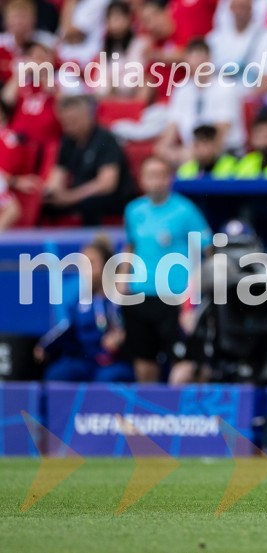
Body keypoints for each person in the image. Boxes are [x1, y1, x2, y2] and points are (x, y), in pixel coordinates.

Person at [122, 156, 212, 382]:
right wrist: (122, 279)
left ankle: (180, 414)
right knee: (144, 360)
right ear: (142, 179)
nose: (156, 181)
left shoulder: (185, 210)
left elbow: (209, 251)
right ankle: (146, 413)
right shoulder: (133, 210)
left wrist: (195, 295)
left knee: (180, 360)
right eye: (150, 175)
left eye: (161, 175)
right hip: (140, 293)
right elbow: (130, 245)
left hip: (175, 296)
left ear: (169, 179)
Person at [37, 235, 133, 382]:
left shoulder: (123, 299)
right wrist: (45, 347)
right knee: (58, 374)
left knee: (107, 377)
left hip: (116, 362)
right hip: (87, 360)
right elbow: (68, 330)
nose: (86, 271)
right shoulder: (81, 302)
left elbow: (138, 332)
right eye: (82, 265)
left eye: (92, 264)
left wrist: (121, 338)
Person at [41, 95, 135, 225]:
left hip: (113, 196)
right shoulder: (67, 141)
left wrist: (71, 196)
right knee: (46, 205)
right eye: (65, 122)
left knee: (90, 204)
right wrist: (52, 193)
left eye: (73, 121)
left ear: (87, 117)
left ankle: (93, 243)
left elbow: (107, 184)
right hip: (78, 193)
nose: (68, 127)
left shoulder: (105, 139)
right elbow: (58, 174)